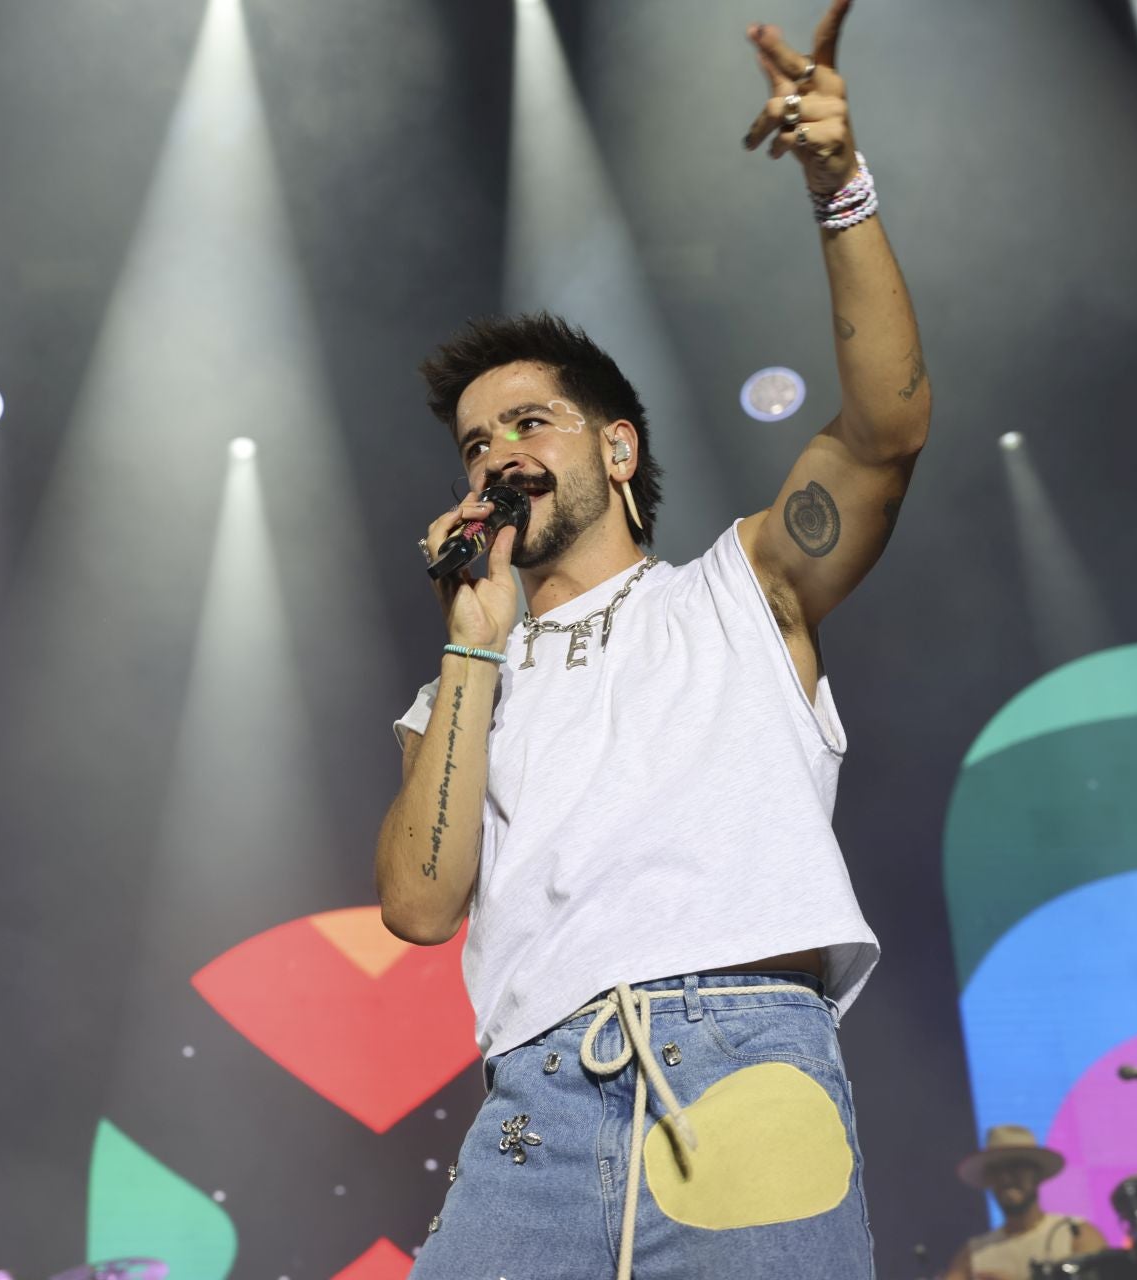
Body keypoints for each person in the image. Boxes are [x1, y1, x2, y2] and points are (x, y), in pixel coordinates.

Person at [374, 4, 929, 1277]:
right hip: (532, 1116)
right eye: (474, 445)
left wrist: (840, 184)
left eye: (529, 423)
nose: (497, 456)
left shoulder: (742, 588)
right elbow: (418, 905)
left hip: (742, 1071)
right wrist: (471, 642)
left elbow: (886, 434)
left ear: (616, 447)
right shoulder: (460, 683)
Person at [942, 1127, 1109, 1280]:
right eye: (997, 1171)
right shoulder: (972, 1256)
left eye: (1016, 1167)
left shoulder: (1077, 1235)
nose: (1006, 1178)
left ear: (1037, 1174)